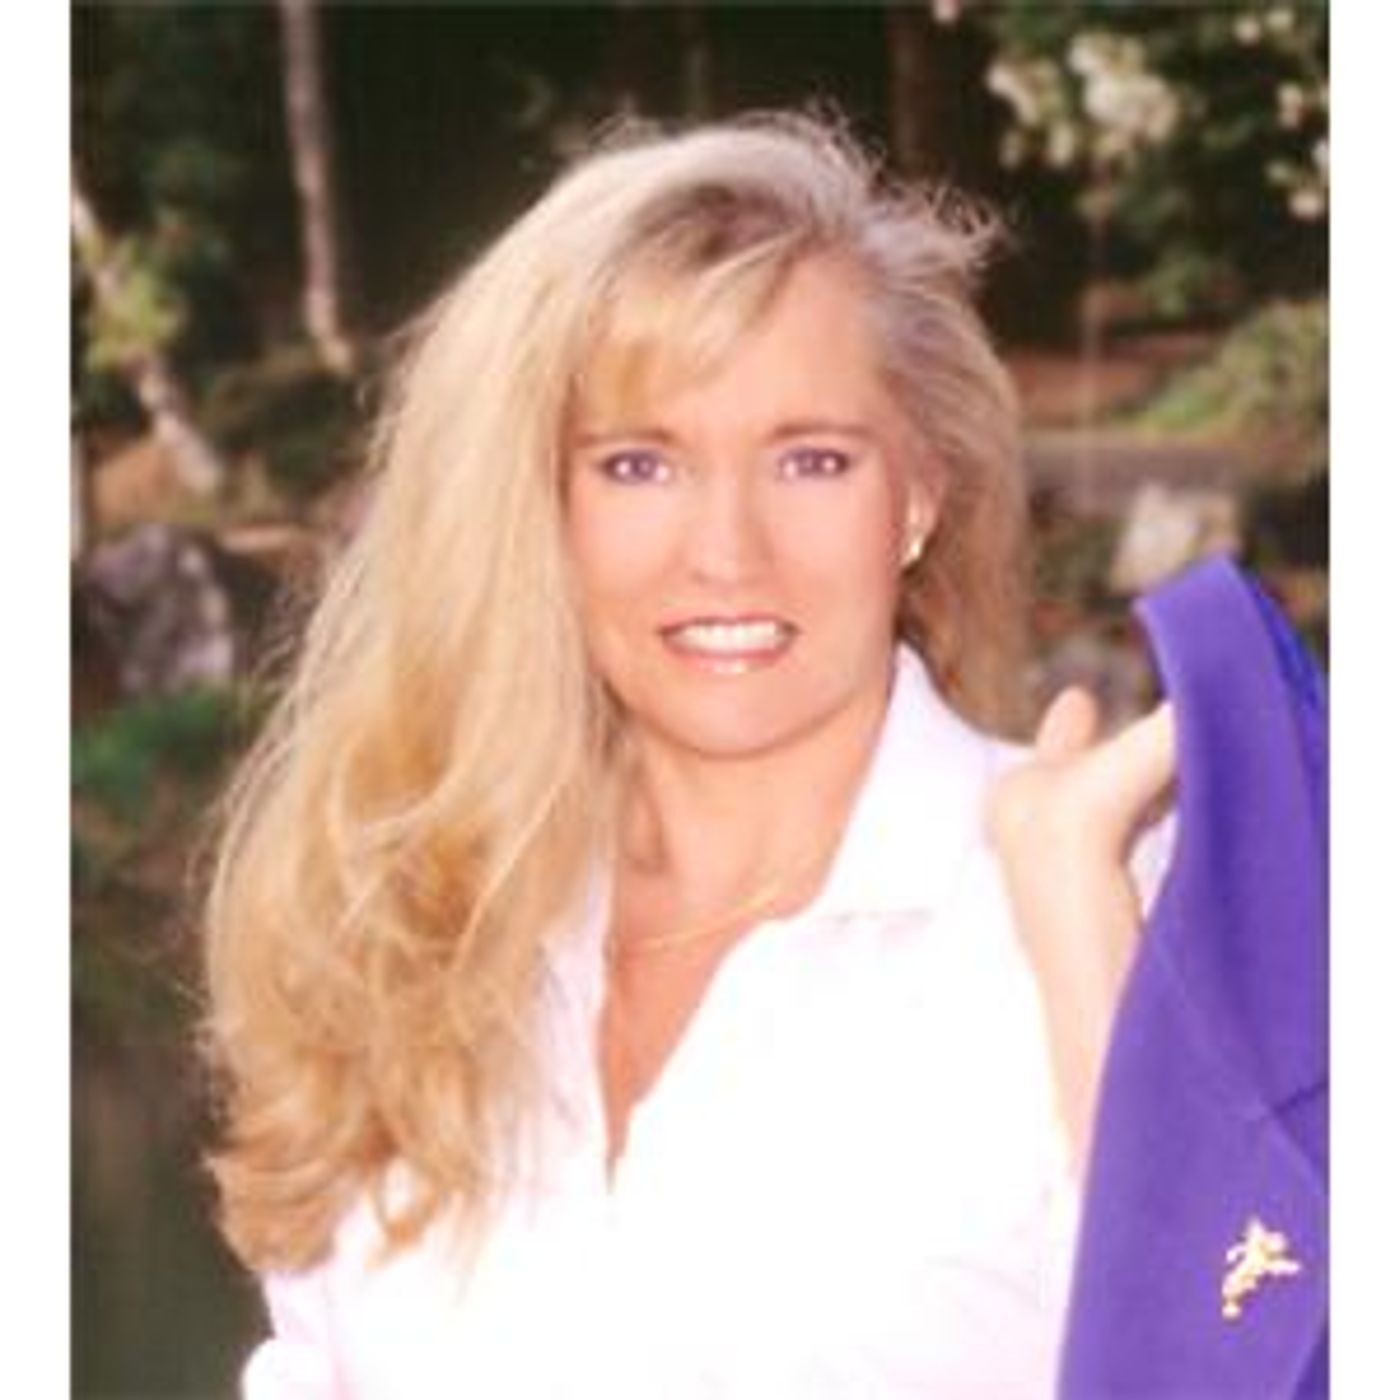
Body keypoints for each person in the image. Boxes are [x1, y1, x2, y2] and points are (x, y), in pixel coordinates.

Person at [202, 111, 1174, 1397]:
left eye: (810, 459)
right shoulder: (400, 933)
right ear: (539, 506)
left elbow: (1251, 1351)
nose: (725, 551)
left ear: (916, 496)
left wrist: (1096, 966)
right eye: (638, 463)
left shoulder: (1115, 903)